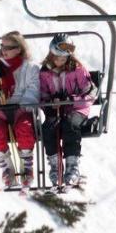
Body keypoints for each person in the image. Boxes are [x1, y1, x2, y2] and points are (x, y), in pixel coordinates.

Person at [0, 31, 40, 189]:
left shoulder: (30, 68)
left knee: (25, 127)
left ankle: (27, 165)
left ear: (19, 49)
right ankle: (7, 168)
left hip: (22, 110)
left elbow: (34, 89)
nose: (3, 50)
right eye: (2, 46)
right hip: (1, 111)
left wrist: (24, 105)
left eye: (8, 47)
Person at [39, 34, 95, 188]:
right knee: (48, 128)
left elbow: (90, 93)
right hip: (56, 111)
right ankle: (55, 165)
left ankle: (72, 165)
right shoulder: (44, 73)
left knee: (70, 125)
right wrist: (51, 103)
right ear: (50, 55)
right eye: (56, 58)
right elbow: (42, 96)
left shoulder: (77, 70)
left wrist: (72, 99)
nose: (59, 62)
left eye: (63, 59)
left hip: (78, 109)